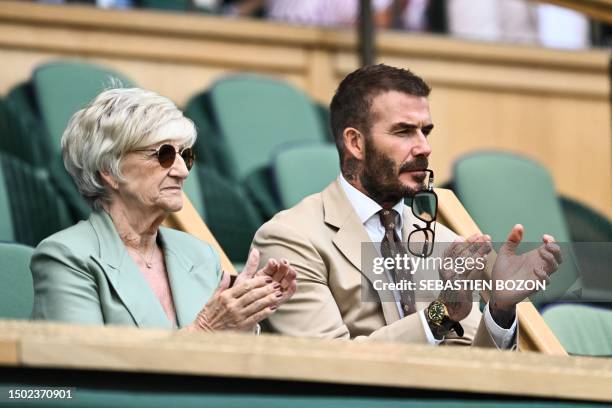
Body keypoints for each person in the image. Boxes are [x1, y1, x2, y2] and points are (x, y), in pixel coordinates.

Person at [253, 64, 562, 347]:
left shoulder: (444, 241)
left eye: (425, 131)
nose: (424, 147)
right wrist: (441, 315)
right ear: (355, 143)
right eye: (404, 131)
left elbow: (472, 370)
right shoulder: (290, 238)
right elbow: (329, 363)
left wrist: (500, 309)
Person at [31, 87, 296, 332]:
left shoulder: (201, 255)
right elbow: (81, 371)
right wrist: (205, 330)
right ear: (110, 171)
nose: (182, 171)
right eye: (164, 155)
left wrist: (243, 318)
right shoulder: (66, 257)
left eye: (186, 156)